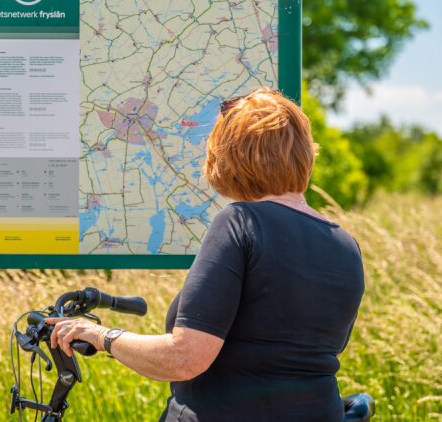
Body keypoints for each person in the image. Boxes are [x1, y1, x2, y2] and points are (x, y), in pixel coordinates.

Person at [46, 87, 365, 421]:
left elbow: (184, 358)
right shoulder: (345, 245)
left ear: (231, 156)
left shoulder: (241, 221)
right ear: (304, 155)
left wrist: (99, 335)